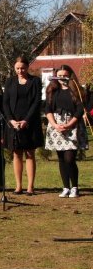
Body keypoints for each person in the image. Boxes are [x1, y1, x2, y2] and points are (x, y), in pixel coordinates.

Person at [2, 56, 43, 195]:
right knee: (17, 153)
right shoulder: (9, 82)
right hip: (13, 123)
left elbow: (37, 102)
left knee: (30, 153)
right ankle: (18, 186)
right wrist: (11, 120)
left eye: (23, 68)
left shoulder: (35, 81)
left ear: (27, 67)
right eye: (18, 68)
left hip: (29, 122)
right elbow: (5, 103)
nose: (20, 71)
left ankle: (30, 187)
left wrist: (26, 120)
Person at [44, 65, 85, 198]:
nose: (62, 78)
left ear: (70, 75)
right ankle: (65, 187)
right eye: (59, 75)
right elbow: (48, 109)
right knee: (61, 158)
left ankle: (75, 187)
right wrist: (55, 125)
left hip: (72, 125)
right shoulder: (52, 90)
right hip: (56, 125)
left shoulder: (77, 90)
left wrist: (69, 124)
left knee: (70, 158)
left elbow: (80, 110)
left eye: (64, 75)